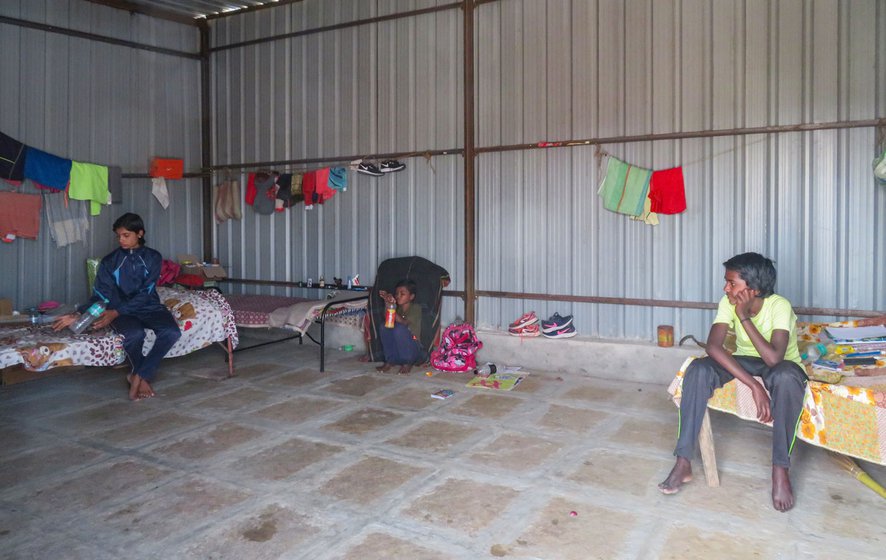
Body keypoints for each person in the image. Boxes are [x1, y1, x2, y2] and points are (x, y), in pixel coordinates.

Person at [658, 252, 807, 512]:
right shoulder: (726, 302)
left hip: (782, 366)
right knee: (697, 370)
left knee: (785, 378)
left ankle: (780, 469)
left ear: (753, 289)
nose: (725, 288)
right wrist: (753, 384)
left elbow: (773, 358)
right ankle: (683, 461)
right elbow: (714, 348)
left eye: (732, 283)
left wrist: (744, 316)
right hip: (745, 360)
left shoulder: (779, 306)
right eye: (726, 282)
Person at [54, 213, 181, 401]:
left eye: (126, 235)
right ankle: (141, 376)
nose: (121, 240)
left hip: (148, 307)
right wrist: (79, 314)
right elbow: (101, 295)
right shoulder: (110, 261)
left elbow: (146, 292)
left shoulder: (153, 257)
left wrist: (116, 312)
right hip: (120, 311)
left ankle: (139, 375)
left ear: (140, 233)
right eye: (118, 236)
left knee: (171, 332)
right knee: (134, 334)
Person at [376, 279, 423, 374]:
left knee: (399, 328)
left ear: (411, 297)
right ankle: (390, 361)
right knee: (384, 327)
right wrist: (388, 303)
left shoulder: (416, 308)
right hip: (398, 349)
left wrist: (392, 307)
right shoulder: (398, 308)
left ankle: (407, 363)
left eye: (402, 294)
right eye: (397, 294)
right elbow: (388, 318)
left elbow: (404, 323)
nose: (398, 296)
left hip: (413, 349)